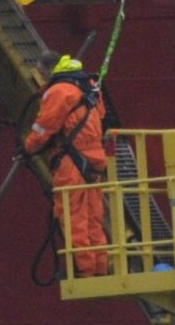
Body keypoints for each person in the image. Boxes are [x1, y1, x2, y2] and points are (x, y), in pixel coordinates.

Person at [22, 54, 111, 278]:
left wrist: (28, 147)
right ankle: (99, 267)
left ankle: (83, 270)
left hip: (71, 162)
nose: (40, 76)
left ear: (49, 69)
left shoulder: (58, 91)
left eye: (41, 72)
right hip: (94, 159)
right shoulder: (89, 85)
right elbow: (100, 115)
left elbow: (44, 126)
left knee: (73, 216)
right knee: (94, 216)